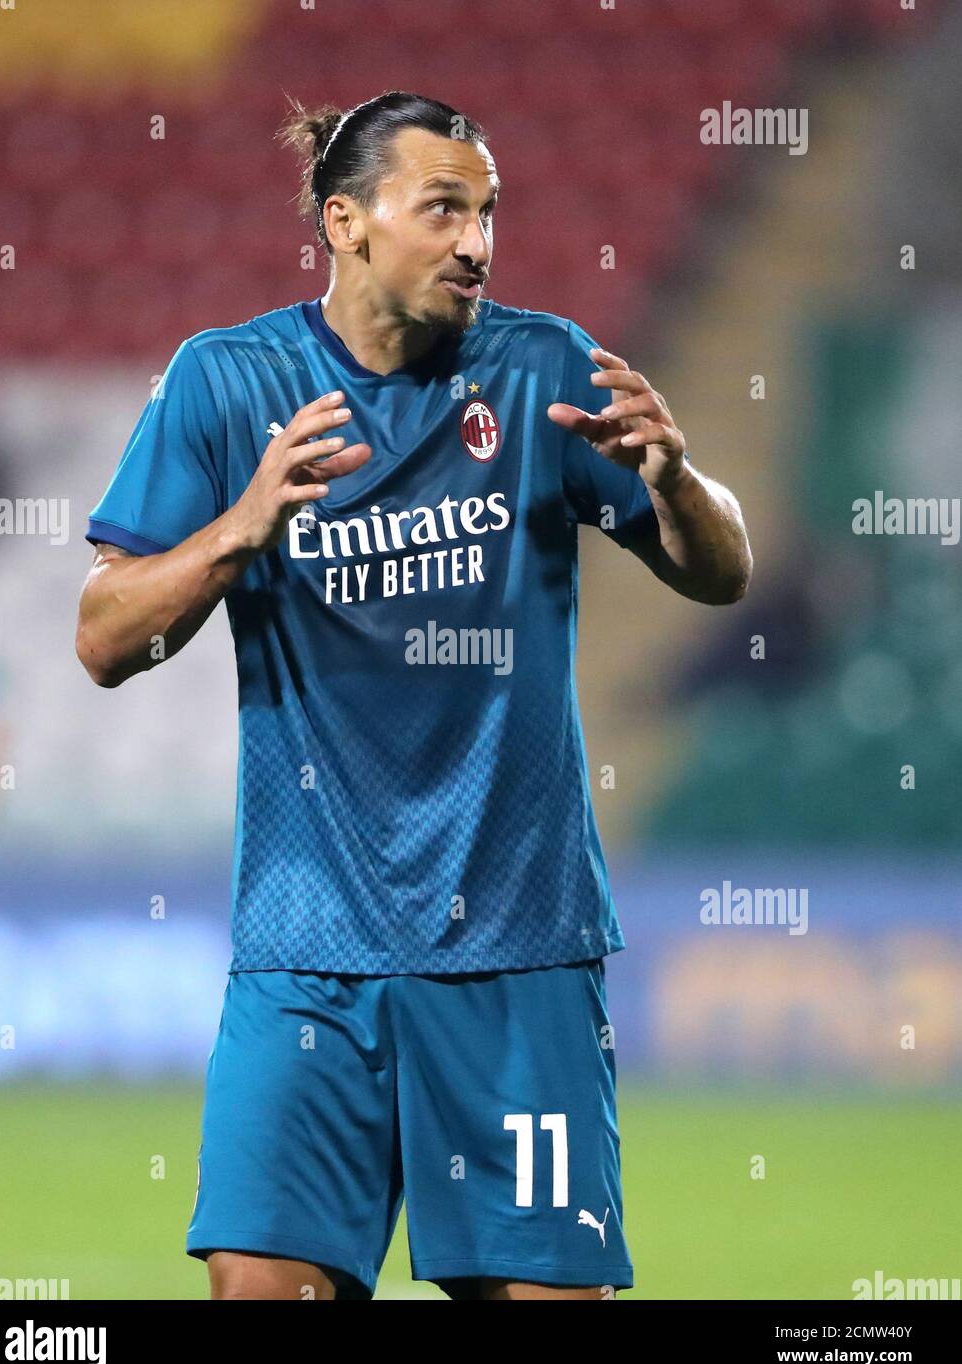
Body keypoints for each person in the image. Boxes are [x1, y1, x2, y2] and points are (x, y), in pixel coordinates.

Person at [76, 91, 752, 1301]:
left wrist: (678, 481)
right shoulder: (229, 383)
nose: (477, 243)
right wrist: (239, 527)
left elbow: (719, 573)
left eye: (487, 212)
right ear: (347, 221)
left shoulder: (541, 369)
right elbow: (105, 637)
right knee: (255, 1290)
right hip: (307, 948)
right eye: (443, 208)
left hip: (518, 945)